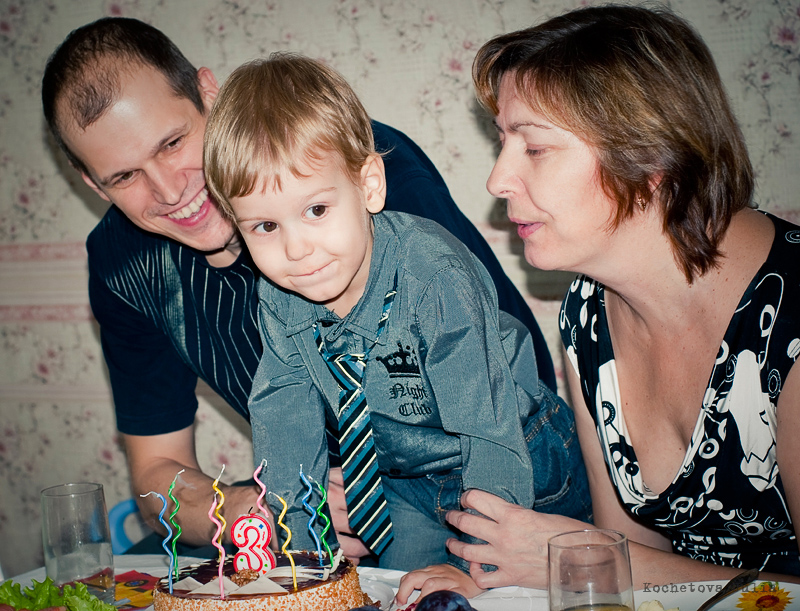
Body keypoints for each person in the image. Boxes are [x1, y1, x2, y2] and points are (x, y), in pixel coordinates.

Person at [40, 17, 559, 558]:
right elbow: (155, 475)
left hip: (470, 476)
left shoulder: (340, 163)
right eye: (124, 177)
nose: (170, 191)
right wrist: (253, 511)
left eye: (173, 143)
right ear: (93, 184)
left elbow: (507, 388)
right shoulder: (122, 264)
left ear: (209, 94)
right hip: (295, 500)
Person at [398, 3, 800, 600]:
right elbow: (631, 565)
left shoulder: (791, 311)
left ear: (650, 156)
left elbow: (621, 560)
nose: (497, 180)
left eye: (534, 147)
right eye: (504, 142)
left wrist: (571, 555)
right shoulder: (587, 312)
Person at [202, 53, 591, 582]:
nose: (295, 250)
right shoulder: (279, 297)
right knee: (400, 591)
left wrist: (477, 566)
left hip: (515, 461)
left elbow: (487, 427)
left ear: (369, 185)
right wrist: (302, 557)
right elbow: (285, 424)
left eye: (316, 210)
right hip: (406, 478)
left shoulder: (435, 276)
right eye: (265, 226)